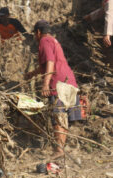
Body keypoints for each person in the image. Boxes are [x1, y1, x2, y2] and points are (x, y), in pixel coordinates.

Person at [25, 20, 82, 158]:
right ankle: (61, 148)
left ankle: (59, 150)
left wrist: (45, 84)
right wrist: (32, 74)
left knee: (58, 116)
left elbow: (50, 63)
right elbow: (48, 64)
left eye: (35, 33)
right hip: (69, 81)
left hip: (58, 83)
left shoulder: (44, 42)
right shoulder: (53, 41)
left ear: (38, 32)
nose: (35, 36)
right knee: (63, 117)